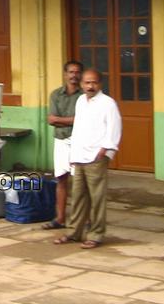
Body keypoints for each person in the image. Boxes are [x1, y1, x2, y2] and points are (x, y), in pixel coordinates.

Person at [54, 69, 122, 249]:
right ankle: (73, 232)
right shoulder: (80, 102)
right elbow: (78, 129)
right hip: (80, 155)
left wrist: (105, 150)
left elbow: (114, 128)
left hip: (96, 156)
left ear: (100, 84)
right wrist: (73, 155)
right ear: (82, 84)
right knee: (78, 197)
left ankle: (96, 234)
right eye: (87, 83)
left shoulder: (108, 103)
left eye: (94, 83)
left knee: (97, 198)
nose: (90, 86)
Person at [42, 60, 84, 230]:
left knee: (80, 181)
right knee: (61, 178)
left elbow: (82, 121)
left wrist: (62, 120)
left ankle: (80, 218)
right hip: (60, 140)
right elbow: (51, 120)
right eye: (71, 72)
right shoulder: (55, 95)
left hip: (79, 140)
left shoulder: (84, 95)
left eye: (77, 72)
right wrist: (71, 121)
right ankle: (60, 218)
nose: (74, 75)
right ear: (65, 74)